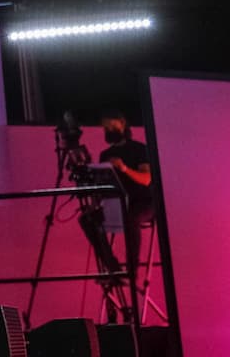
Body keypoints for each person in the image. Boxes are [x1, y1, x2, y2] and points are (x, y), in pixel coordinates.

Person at [97, 109, 154, 313]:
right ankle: (112, 267)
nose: (109, 130)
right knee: (88, 219)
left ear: (122, 124)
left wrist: (124, 169)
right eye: (105, 127)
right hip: (117, 202)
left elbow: (147, 179)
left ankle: (132, 271)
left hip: (144, 202)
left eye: (112, 126)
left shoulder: (139, 149)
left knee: (132, 218)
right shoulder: (105, 154)